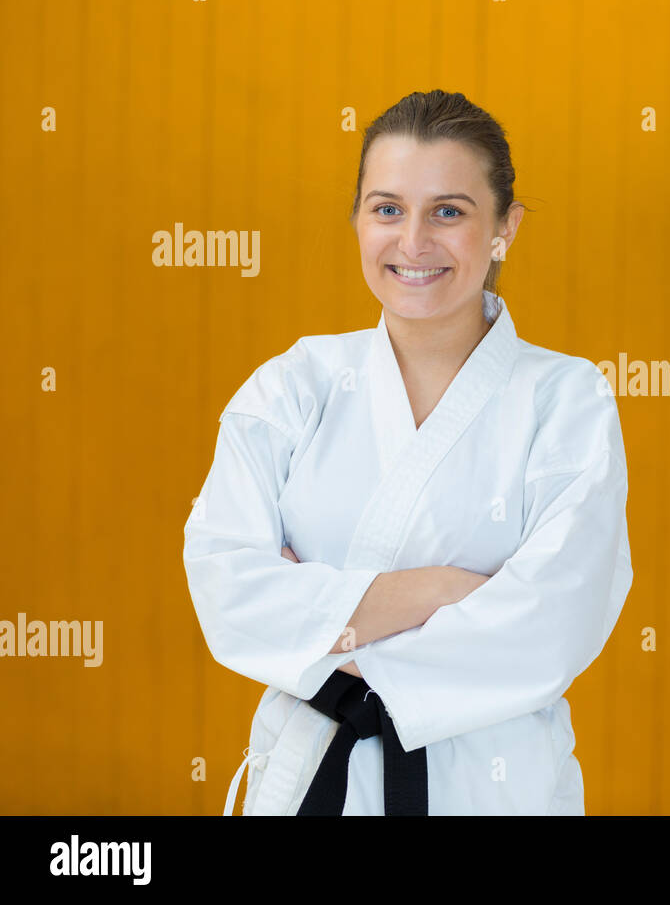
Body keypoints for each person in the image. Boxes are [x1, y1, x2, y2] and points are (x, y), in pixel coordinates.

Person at [183, 90, 633, 815]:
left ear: (503, 230)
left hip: (493, 782)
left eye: (448, 212)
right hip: (311, 773)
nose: (413, 242)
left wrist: (321, 625)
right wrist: (445, 590)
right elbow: (227, 592)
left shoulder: (566, 399)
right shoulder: (293, 387)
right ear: (358, 220)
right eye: (387, 209)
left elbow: (555, 625)